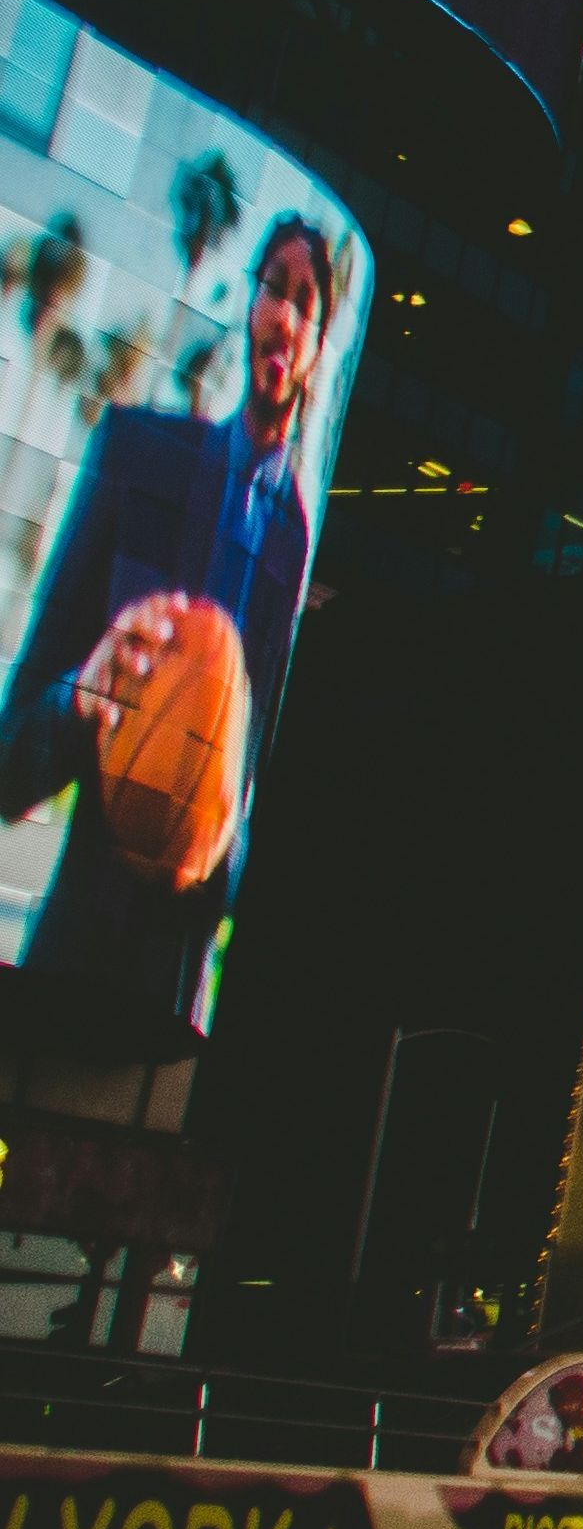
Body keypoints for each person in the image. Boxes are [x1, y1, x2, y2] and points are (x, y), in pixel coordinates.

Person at [0, 212, 340, 1026]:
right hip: (72, 955)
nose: (285, 316)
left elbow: (257, 795)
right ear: (249, 306)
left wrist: (218, 847)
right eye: (274, 288)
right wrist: (82, 696)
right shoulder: (137, 454)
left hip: (174, 994)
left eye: (307, 304)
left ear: (319, 347)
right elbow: (10, 762)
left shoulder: (295, 542)